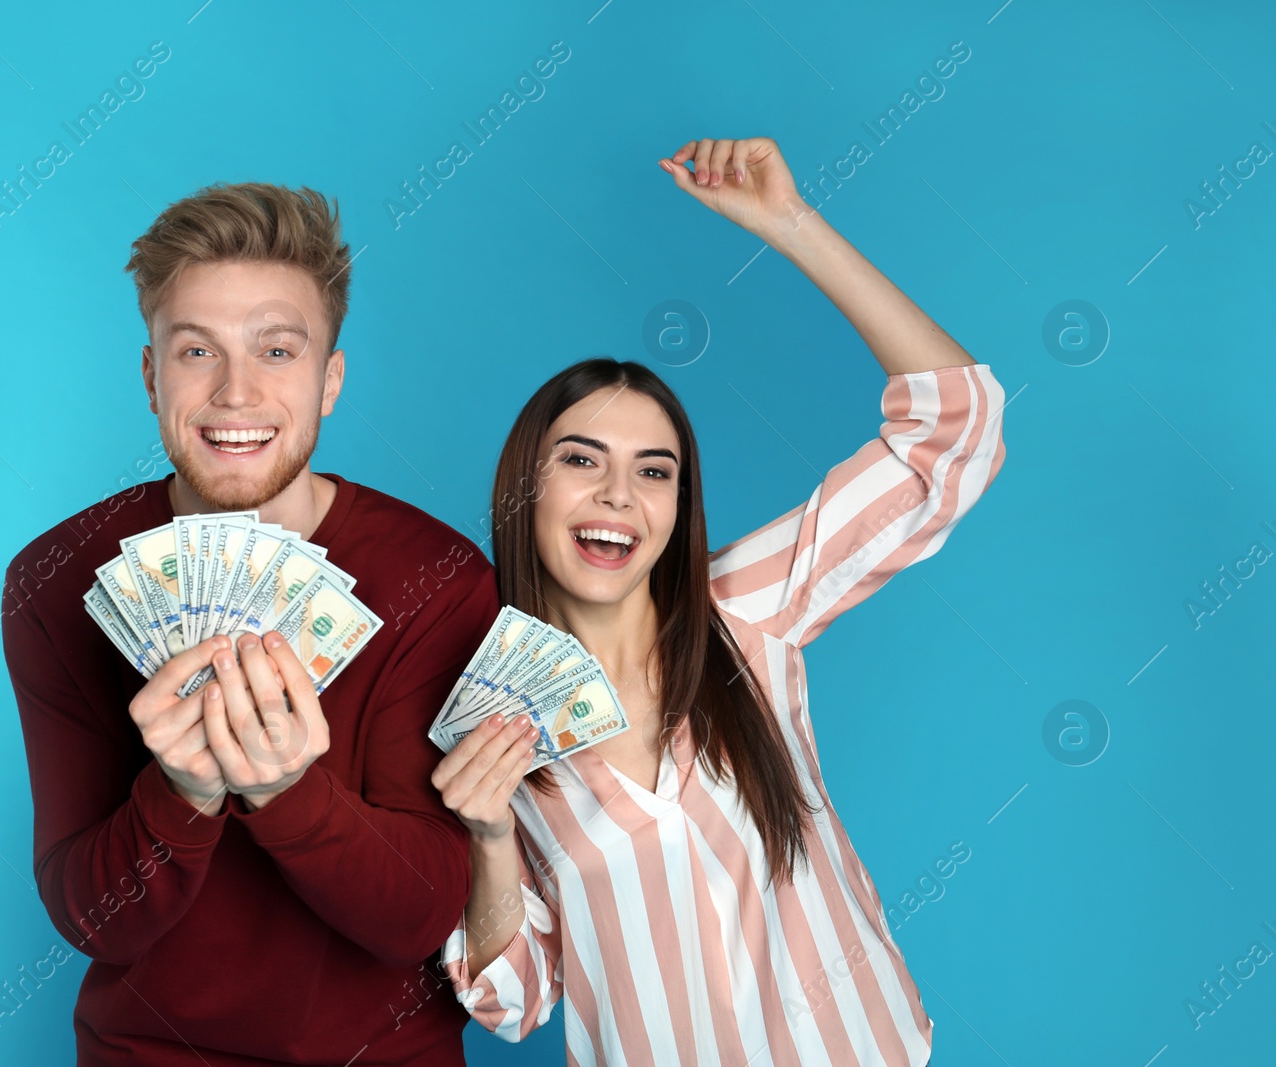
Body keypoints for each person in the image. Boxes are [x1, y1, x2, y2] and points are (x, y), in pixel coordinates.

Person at [431, 136, 1008, 1066]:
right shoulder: (482, 718)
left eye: (652, 471)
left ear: (676, 506)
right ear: (524, 490)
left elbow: (956, 434)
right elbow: (511, 1000)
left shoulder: (746, 607)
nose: (619, 495)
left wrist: (792, 225)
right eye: (582, 460)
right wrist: (490, 833)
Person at [1, 182, 499, 1066]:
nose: (237, 393)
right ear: (153, 375)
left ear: (329, 380)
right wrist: (181, 793)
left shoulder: (439, 580)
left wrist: (283, 792)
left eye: (277, 349)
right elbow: (90, 918)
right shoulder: (59, 579)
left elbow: (419, 916)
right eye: (198, 351)